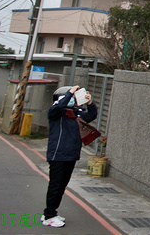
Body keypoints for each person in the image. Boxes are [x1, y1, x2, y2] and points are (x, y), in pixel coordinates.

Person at [41, 85, 98, 228]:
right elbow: (57, 107)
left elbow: (91, 116)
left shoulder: (75, 113)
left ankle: (51, 212)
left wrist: (90, 103)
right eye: (70, 98)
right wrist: (69, 93)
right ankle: (49, 216)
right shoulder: (56, 113)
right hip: (58, 155)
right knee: (56, 185)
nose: (72, 100)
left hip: (71, 155)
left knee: (62, 186)